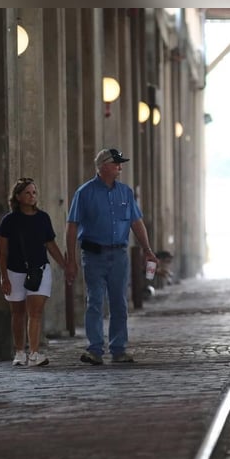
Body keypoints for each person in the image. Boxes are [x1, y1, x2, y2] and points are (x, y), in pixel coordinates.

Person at [65, 148, 158, 365]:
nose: (120, 167)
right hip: (93, 254)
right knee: (95, 301)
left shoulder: (125, 193)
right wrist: (71, 259)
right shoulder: (84, 193)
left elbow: (136, 222)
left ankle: (118, 349)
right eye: (116, 164)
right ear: (103, 166)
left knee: (119, 303)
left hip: (119, 255)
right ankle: (95, 349)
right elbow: (72, 227)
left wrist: (147, 249)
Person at [0, 177, 67, 367]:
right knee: (17, 312)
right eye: (27, 192)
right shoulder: (9, 221)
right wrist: (4, 276)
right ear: (18, 196)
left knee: (35, 312)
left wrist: (65, 265)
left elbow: (50, 244)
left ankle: (34, 353)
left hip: (39, 270)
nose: (32, 196)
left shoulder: (43, 218)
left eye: (34, 192)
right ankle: (19, 352)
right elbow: (2, 252)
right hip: (15, 271)